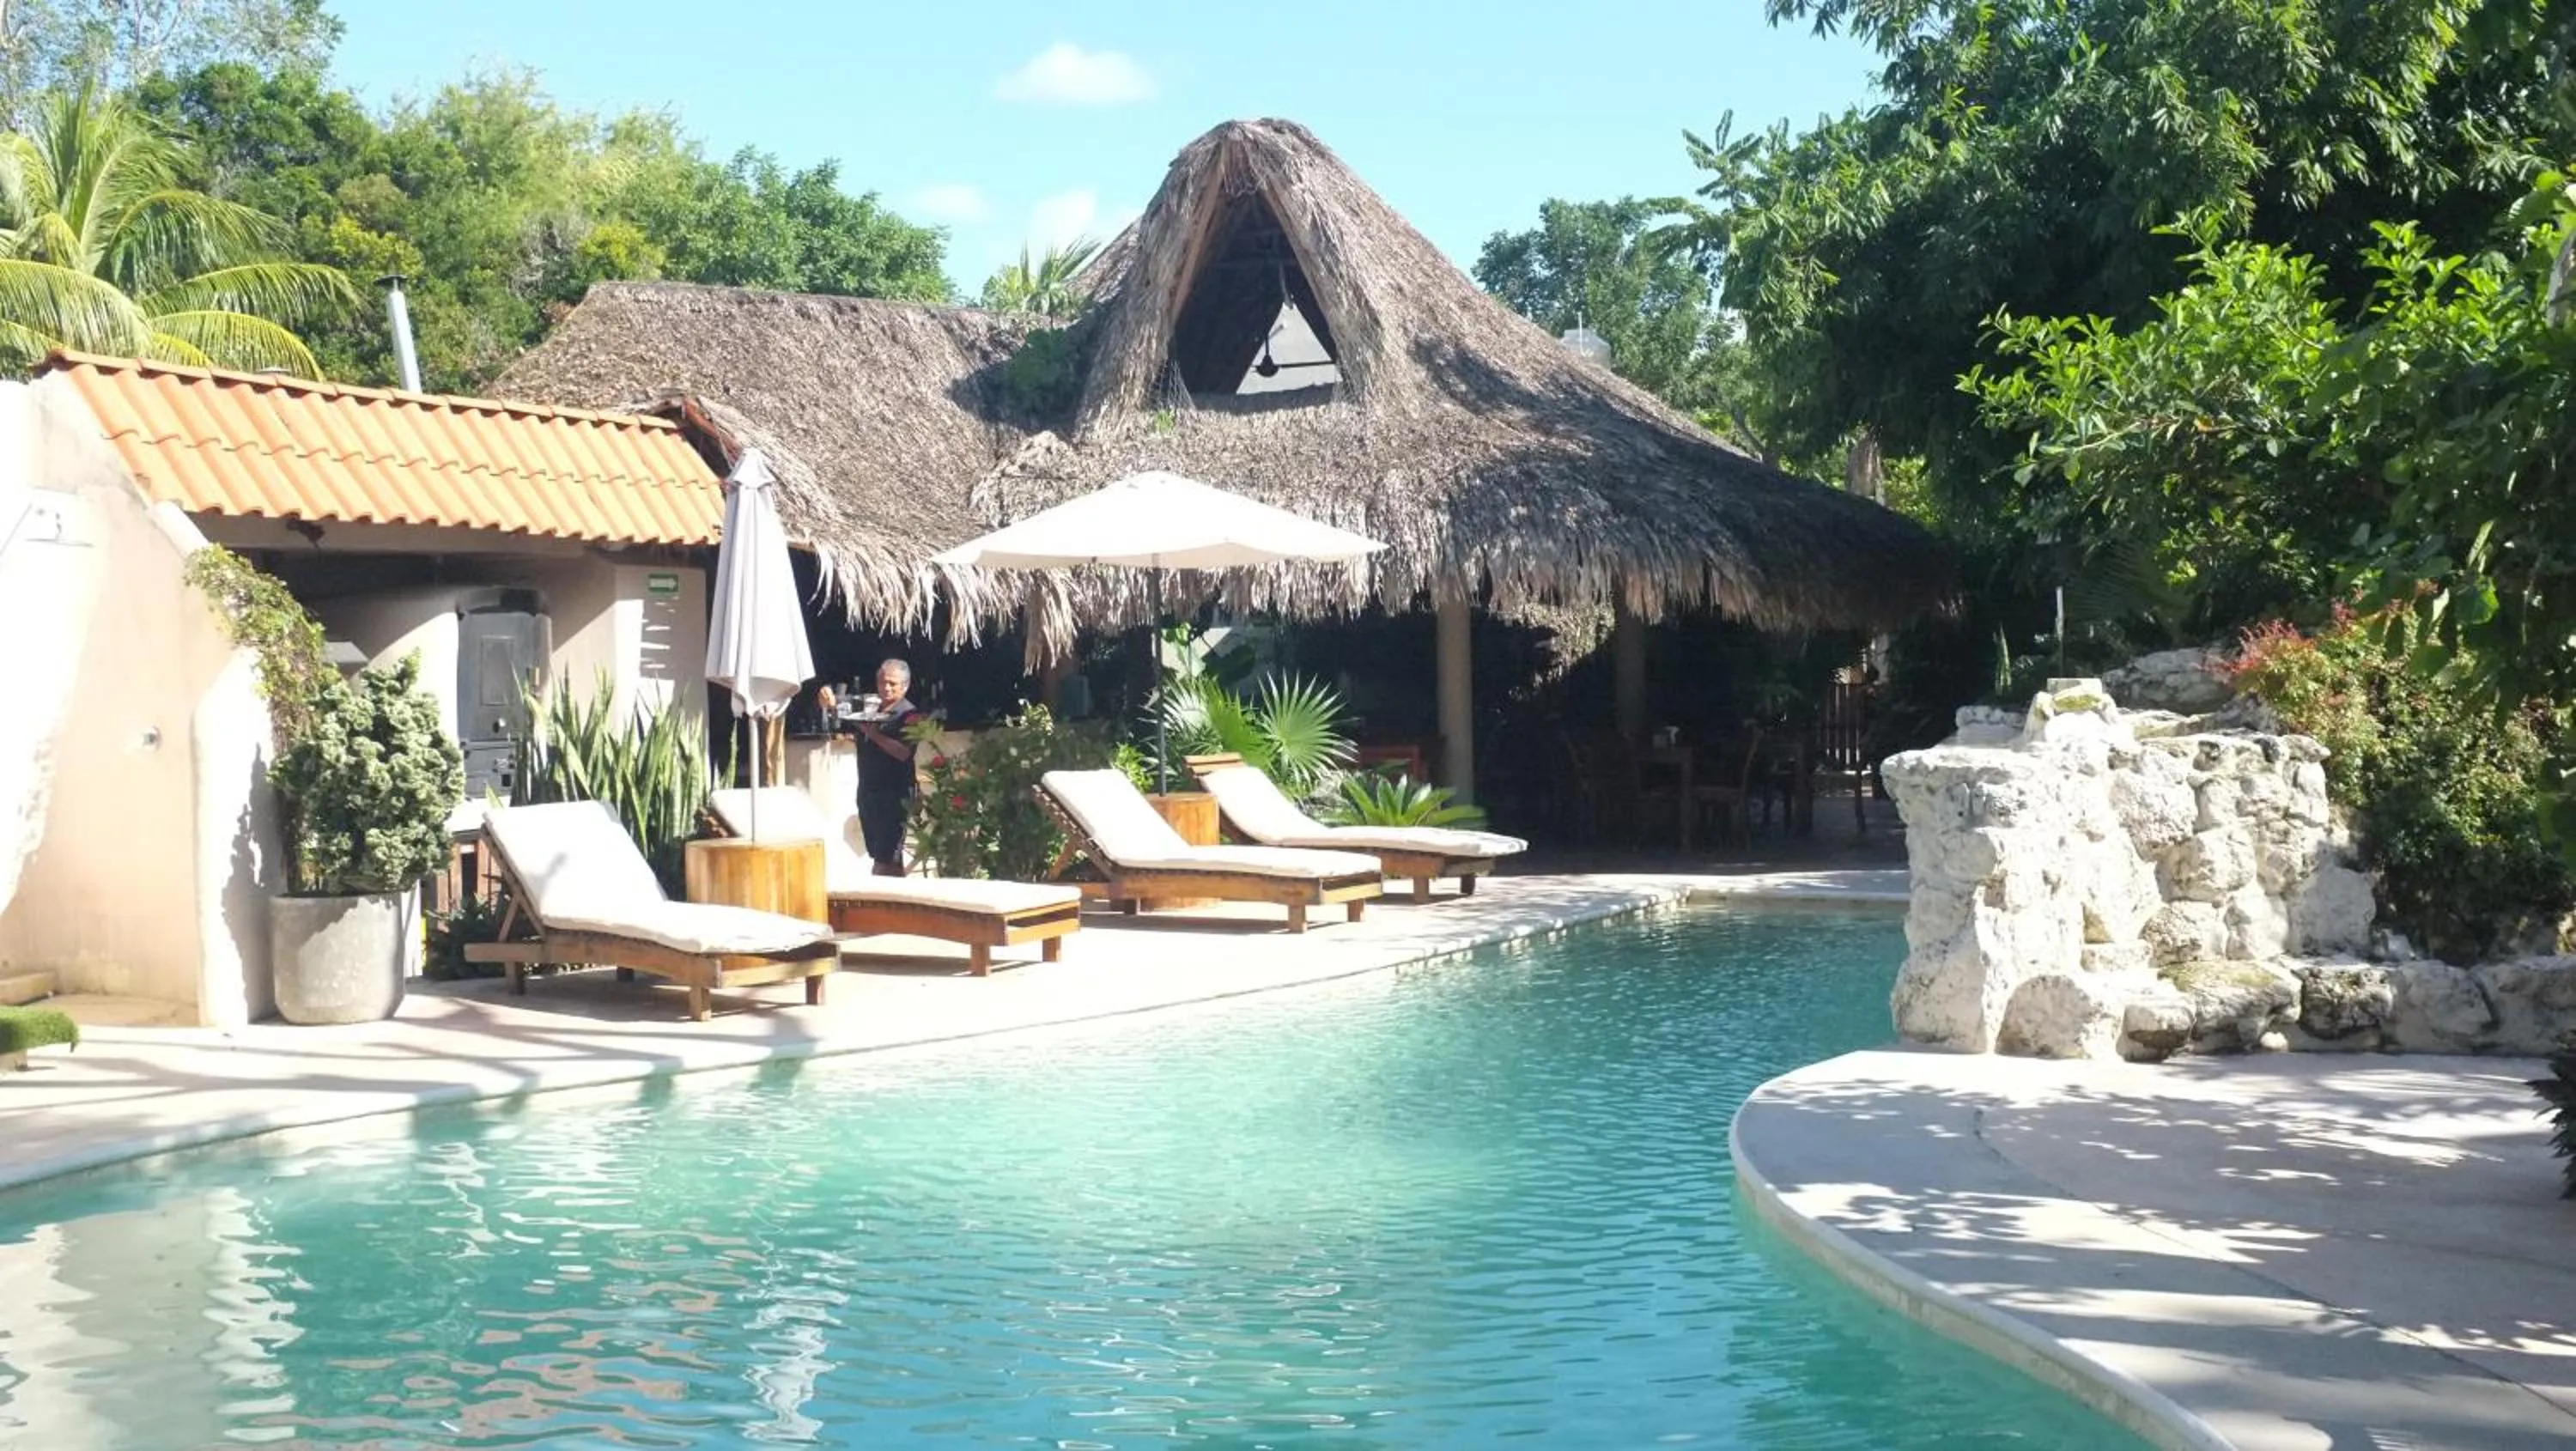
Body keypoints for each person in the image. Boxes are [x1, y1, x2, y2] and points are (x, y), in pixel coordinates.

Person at [817, 659, 923, 876]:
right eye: (883, 682)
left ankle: (884, 900)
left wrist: (871, 732)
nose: (886, 688)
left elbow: (904, 752)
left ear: (905, 686)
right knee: (879, 854)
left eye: (893, 684)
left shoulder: (910, 714)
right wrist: (826, 697)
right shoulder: (868, 708)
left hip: (895, 792)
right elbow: (835, 703)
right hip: (868, 789)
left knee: (887, 856)